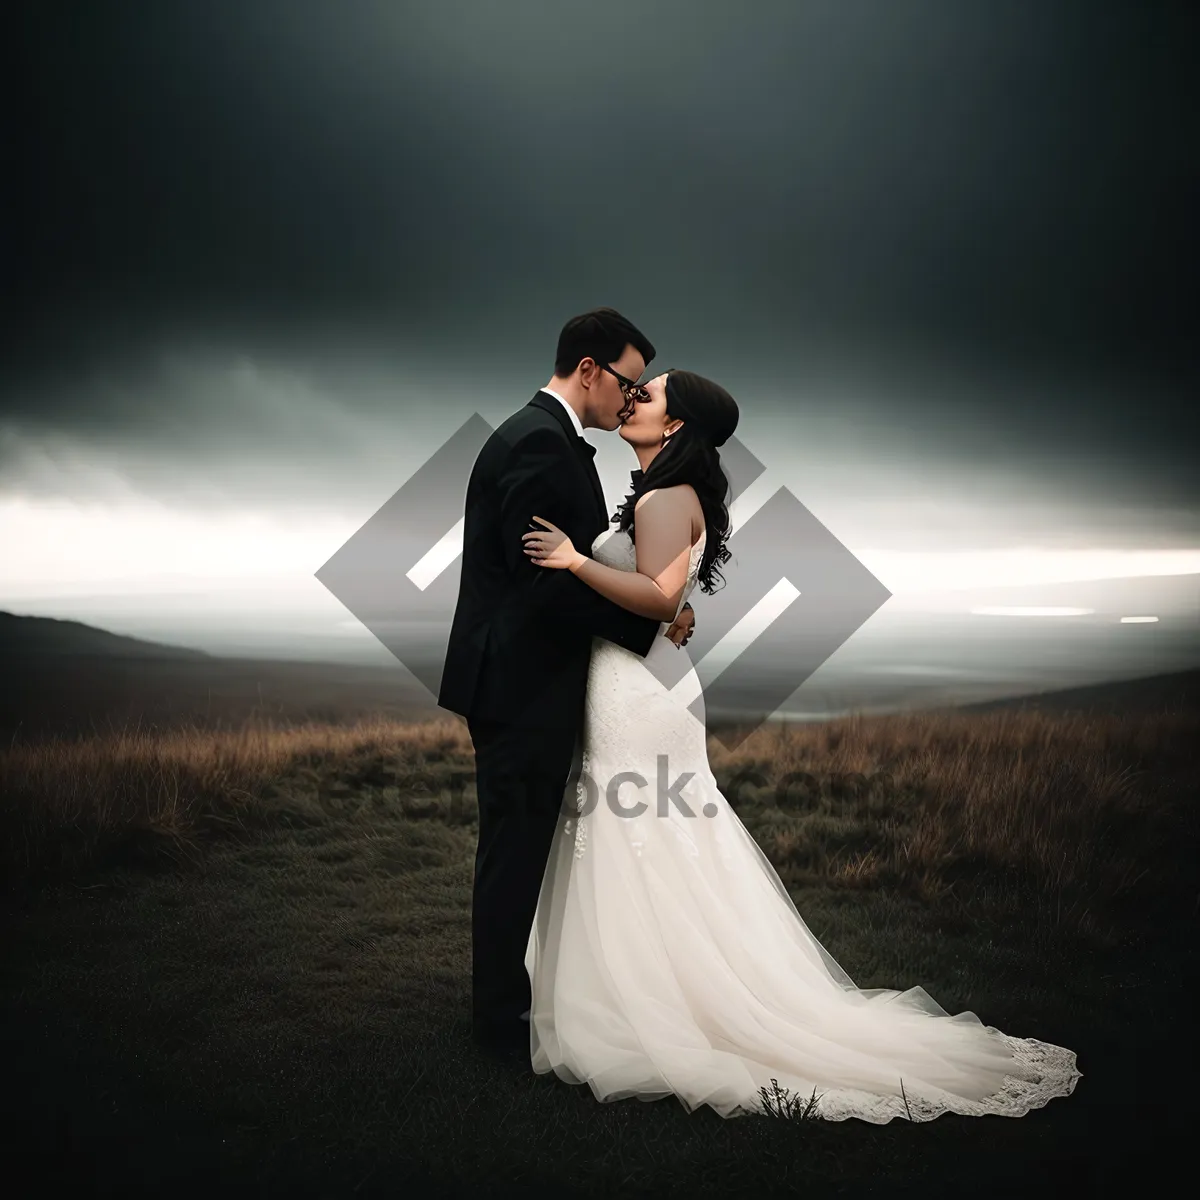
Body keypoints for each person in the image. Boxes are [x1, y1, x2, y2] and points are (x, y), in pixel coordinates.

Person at [519, 368, 1083, 1121]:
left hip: (637, 694)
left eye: (647, 395)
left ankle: (650, 1006)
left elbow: (657, 596)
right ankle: (655, 989)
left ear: (677, 426)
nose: (633, 400)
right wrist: (659, 611)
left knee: (638, 832)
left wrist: (575, 561)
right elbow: (668, 603)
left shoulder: (661, 498)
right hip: (647, 682)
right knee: (651, 832)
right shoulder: (672, 496)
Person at [437, 308, 696, 1059]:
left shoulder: (538, 437)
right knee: (514, 856)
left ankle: (514, 1010)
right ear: (588, 369)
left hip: (519, 680)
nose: (631, 396)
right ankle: (498, 1031)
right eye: (627, 380)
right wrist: (649, 627)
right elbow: (540, 585)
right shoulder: (543, 447)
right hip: (521, 687)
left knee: (519, 852)